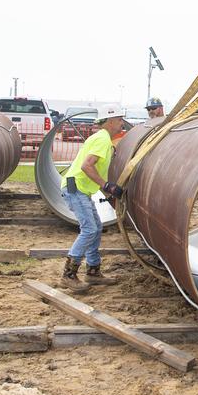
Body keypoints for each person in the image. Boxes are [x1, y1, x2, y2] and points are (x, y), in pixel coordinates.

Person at [59, 104, 128, 291]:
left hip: (81, 189)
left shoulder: (102, 139)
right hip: (76, 189)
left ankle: (93, 272)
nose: (122, 123)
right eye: (120, 119)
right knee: (89, 229)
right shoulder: (102, 140)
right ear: (110, 121)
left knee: (96, 228)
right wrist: (106, 185)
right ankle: (68, 275)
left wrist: (108, 191)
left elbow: (95, 170)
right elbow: (86, 166)